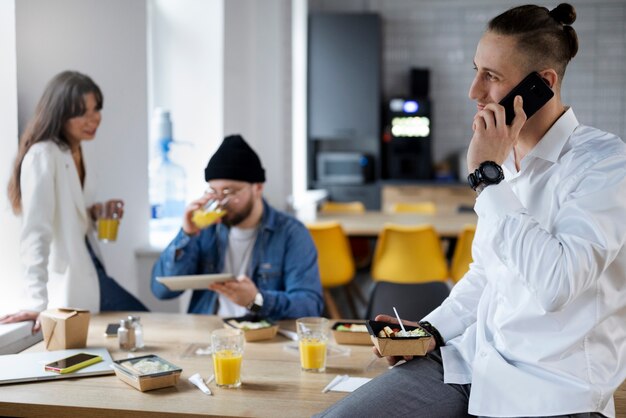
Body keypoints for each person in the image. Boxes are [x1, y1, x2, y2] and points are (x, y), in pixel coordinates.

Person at [318, 4, 625, 418]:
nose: (473, 92)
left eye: (492, 77)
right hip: (470, 363)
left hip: (550, 388)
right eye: (476, 70)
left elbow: (556, 283)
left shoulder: (606, 164)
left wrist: (487, 180)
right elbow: (486, 273)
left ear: (543, 85)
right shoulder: (505, 161)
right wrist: (430, 331)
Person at [1, 71, 147, 333]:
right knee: (143, 324)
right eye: (82, 112)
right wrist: (37, 302)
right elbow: (36, 232)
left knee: (135, 331)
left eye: (96, 108)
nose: (94, 119)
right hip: (70, 279)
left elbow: (70, 212)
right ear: (60, 114)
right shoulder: (43, 155)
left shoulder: (77, 149)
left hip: (91, 266)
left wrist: (95, 214)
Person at [151, 134, 323, 320]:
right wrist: (186, 234)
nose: (221, 202)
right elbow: (161, 292)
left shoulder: (291, 233)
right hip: (210, 333)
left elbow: (309, 307)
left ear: (257, 188)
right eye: (214, 192)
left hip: (262, 336)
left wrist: (255, 301)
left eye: (230, 191)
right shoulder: (204, 230)